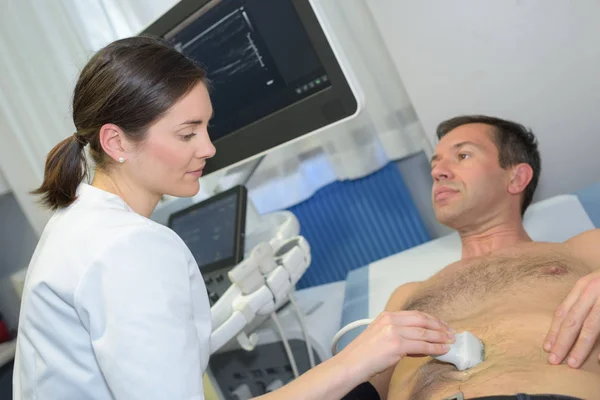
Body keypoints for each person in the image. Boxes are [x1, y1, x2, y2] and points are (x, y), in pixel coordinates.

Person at [12, 36, 455, 400]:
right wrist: (355, 359)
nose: (208, 148)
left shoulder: (76, 225)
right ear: (116, 142)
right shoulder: (128, 247)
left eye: (206, 128)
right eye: (187, 133)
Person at [363, 116, 600, 400]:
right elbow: (357, 386)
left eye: (462, 155)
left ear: (516, 178)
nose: (438, 172)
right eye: (434, 164)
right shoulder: (406, 295)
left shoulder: (584, 248)